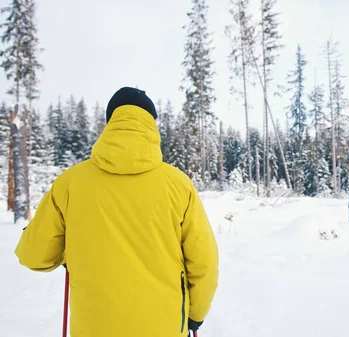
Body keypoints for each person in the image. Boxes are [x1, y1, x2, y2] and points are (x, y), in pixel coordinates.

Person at [15, 87, 219, 337]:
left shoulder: (70, 183)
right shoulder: (178, 185)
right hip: (163, 327)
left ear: (110, 122)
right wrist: (195, 315)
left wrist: (69, 251)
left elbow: (34, 255)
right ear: (152, 125)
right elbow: (204, 262)